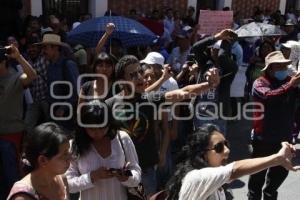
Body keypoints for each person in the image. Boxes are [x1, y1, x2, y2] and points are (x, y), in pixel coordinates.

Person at [104, 54, 220, 197]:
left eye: (140, 71)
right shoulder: (109, 105)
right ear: (121, 82)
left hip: (145, 172)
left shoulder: (149, 99)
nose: (140, 77)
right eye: (133, 74)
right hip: (118, 174)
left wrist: (209, 84)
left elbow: (184, 92)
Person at [159, 124, 299, 200]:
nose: (227, 151)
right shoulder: (195, 178)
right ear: (202, 154)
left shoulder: (215, 180)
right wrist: (277, 158)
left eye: (227, 144)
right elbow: (235, 170)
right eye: (219, 147)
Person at [248, 51, 300, 200]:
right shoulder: (259, 83)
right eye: (280, 66)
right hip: (263, 139)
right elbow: (268, 96)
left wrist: (293, 84)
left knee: (277, 178)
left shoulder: (291, 81)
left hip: (284, 139)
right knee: (256, 180)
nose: (284, 69)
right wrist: (290, 85)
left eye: (285, 66)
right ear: (270, 68)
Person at [66, 103, 141, 200]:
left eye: (102, 128)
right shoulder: (74, 145)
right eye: (92, 129)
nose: (97, 133)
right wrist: (92, 177)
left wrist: (126, 177)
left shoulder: (122, 138)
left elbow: (136, 174)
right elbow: (69, 185)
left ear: (109, 124)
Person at [0, 44, 36, 198]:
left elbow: (32, 75)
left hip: (10, 137)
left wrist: (18, 57)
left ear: (3, 62)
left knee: (12, 178)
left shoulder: (15, 77)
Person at [7, 122, 72, 200]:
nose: (70, 158)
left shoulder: (62, 179)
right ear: (43, 160)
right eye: (64, 154)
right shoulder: (23, 196)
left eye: (68, 151)